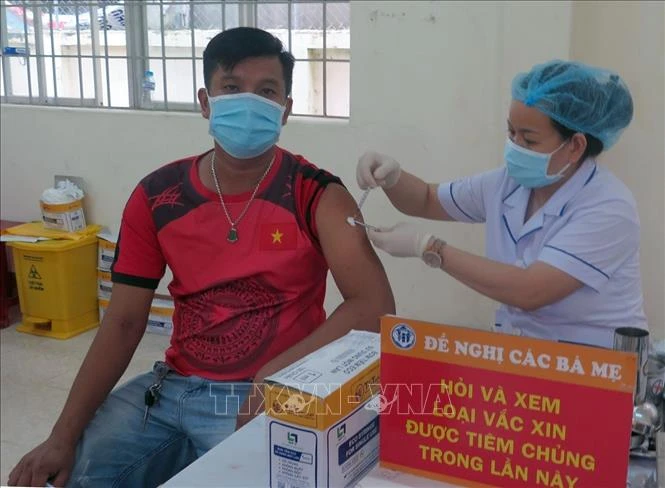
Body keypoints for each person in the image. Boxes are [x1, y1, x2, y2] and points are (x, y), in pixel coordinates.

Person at [9, 27, 395, 488]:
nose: (248, 103)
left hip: (267, 394)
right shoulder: (158, 196)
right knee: (74, 471)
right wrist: (61, 435)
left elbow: (373, 304)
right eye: (231, 87)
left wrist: (275, 380)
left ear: (286, 109)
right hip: (170, 388)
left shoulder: (317, 194)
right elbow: (124, 321)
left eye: (266, 91)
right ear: (205, 102)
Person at [357, 60, 648, 349]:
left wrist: (429, 248)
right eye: (511, 133)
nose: (515, 147)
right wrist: (393, 178)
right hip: (521, 353)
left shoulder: (608, 207)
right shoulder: (508, 183)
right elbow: (426, 199)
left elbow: (531, 291)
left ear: (575, 146)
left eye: (529, 140)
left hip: (595, 362)